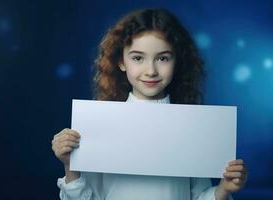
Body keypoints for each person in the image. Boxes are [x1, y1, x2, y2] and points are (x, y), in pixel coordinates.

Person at [51, 8, 248, 200]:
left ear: (177, 61)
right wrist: (71, 166)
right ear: (121, 61)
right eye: (138, 58)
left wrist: (223, 190)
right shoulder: (102, 124)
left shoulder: (190, 127)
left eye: (162, 58)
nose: (151, 70)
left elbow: (198, 196)